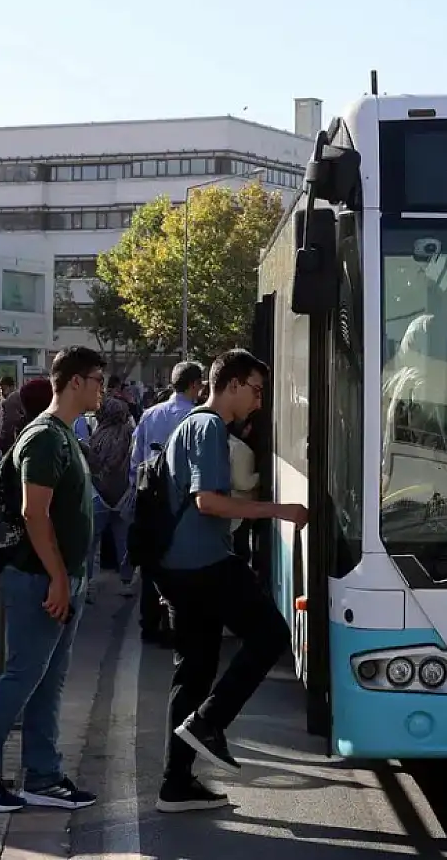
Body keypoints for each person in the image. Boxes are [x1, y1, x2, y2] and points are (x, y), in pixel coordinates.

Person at [153, 349, 306, 814]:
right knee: (272, 634)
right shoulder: (208, 427)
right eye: (256, 390)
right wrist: (280, 511)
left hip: (179, 568)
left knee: (195, 672)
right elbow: (209, 503)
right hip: (203, 563)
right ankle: (209, 724)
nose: (259, 402)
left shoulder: (196, 426)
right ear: (233, 384)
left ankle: (175, 785)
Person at [0, 347, 104, 814]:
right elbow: (34, 512)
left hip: (58, 577)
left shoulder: (65, 435)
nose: (101, 389)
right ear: (73, 383)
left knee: (47, 681)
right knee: (23, 676)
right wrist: (57, 578)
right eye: (96, 379)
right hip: (38, 579)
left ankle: (42, 776)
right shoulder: (45, 438)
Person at [126, 362, 208, 646]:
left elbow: (135, 459)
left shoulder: (149, 415)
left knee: (151, 565)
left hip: (150, 499)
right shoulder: (198, 418)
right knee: (182, 566)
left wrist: (136, 494)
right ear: (195, 385)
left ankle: (149, 624)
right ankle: (175, 626)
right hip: (185, 503)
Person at [86, 397, 137, 596]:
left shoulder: (100, 435)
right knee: (123, 540)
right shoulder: (130, 433)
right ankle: (127, 582)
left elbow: (96, 464)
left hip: (99, 494)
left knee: (93, 543)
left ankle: (89, 584)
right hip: (124, 494)